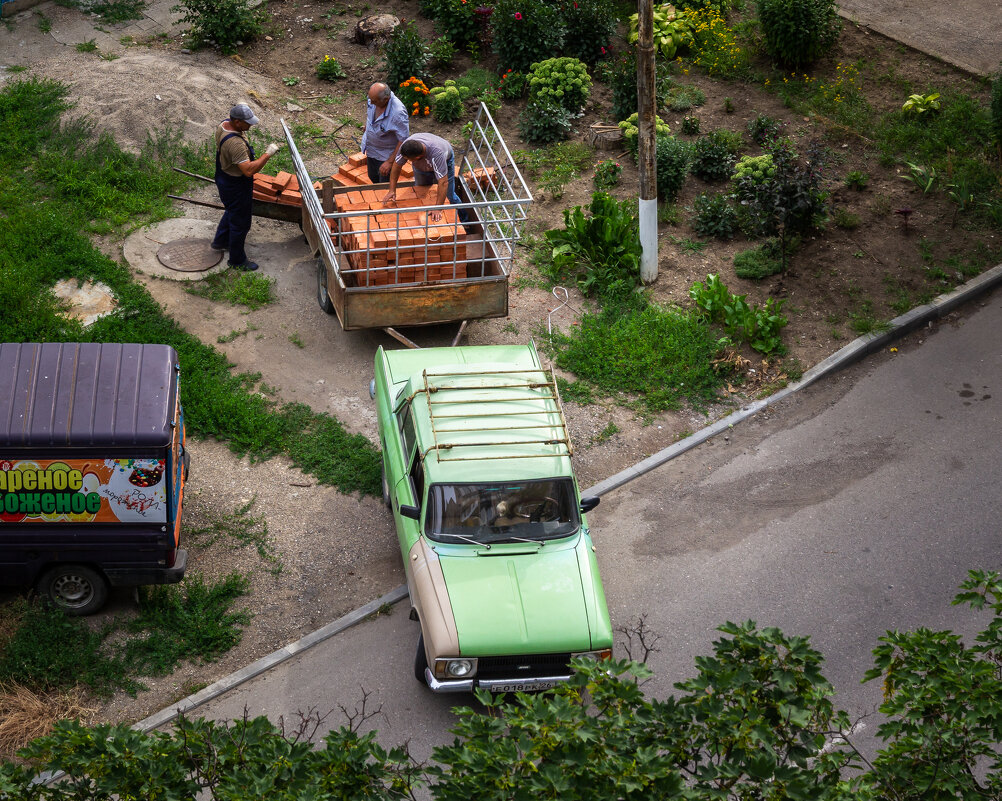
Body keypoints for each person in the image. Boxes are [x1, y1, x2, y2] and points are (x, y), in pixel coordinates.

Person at [210, 103, 281, 272]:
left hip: (223, 176)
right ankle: (237, 260)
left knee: (231, 210)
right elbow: (248, 171)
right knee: (240, 223)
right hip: (235, 184)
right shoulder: (235, 144)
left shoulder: (223, 125)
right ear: (236, 122)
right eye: (247, 122)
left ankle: (221, 241)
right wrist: (267, 154)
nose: (250, 125)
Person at [382, 132, 469, 224]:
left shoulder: (436, 154)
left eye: (409, 160)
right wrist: (392, 190)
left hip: (445, 160)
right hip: (421, 167)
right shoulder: (407, 146)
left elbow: (443, 182)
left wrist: (438, 208)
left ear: (418, 157)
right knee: (421, 192)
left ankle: (464, 220)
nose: (406, 161)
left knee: (449, 196)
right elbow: (396, 166)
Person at [360, 82, 409, 184]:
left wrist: (390, 162)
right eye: (370, 99)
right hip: (371, 150)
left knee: (383, 185)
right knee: (373, 177)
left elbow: (403, 140)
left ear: (386, 99)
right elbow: (371, 114)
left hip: (385, 156)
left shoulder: (398, 113)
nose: (371, 102)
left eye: (374, 101)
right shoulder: (373, 99)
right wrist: (368, 126)